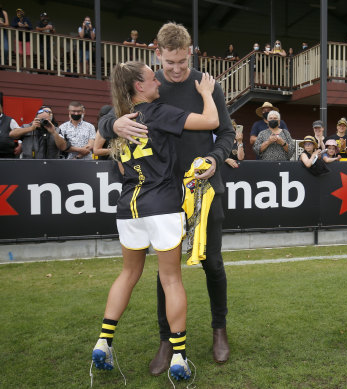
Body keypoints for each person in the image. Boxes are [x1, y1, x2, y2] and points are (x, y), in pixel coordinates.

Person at [98, 22, 234, 373]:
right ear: (157, 53)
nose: (175, 70)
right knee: (166, 273)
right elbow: (106, 116)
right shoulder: (146, 84)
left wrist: (215, 161)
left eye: (182, 62)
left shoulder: (207, 85)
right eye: (169, 63)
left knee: (212, 263)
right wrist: (112, 126)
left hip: (204, 190)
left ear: (191, 52)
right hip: (162, 196)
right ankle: (166, 342)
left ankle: (219, 330)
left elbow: (226, 132)